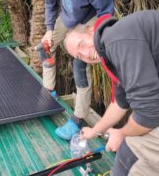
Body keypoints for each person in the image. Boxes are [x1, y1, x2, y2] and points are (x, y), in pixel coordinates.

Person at [39, 0, 114, 140]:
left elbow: (106, 9)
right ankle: (50, 92)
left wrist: (95, 34)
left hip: (90, 18)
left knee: (80, 65)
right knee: (44, 47)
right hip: (68, 15)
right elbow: (50, 1)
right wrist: (49, 30)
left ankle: (78, 119)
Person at [64, 10, 159, 176]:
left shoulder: (116, 39)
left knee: (131, 156)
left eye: (81, 45)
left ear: (92, 30)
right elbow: (119, 102)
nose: (86, 53)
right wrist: (95, 131)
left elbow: (149, 114)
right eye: (80, 55)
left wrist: (121, 133)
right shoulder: (114, 45)